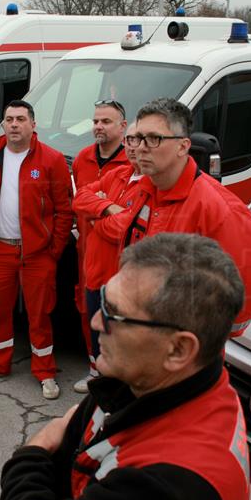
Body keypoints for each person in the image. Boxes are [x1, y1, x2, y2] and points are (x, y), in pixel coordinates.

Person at [0, 233, 251, 500]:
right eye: (104, 301)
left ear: (179, 349)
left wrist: (36, 448)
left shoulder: (163, 489)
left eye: (115, 315)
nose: (95, 323)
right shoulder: (156, 379)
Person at [116, 97, 251, 336]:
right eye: (137, 138)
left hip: (184, 350)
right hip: (143, 332)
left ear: (183, 146)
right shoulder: (145, 190)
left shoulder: (219, 209)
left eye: (154, 138)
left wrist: (200, 336)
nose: (141, 147)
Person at [0, 100, 73, 400]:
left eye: (20, 119)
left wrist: (53, 251)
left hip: (38, 254)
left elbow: (64, 211)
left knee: (40, 315)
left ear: (33, 124)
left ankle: (45, 373)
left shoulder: (50, 160)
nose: (14, 124)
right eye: (9, 119)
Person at [70, 122, 143, 393]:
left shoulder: (149, 186)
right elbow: (80, 198)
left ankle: (115, 384)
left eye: (141, 140)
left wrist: (94, 219)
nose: (135, 146)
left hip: (120, 279)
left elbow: (122, 229)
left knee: (118, 334)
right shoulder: (119, 174)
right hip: (95, 271)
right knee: (95, 327)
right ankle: (95, 372)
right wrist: (108, 206)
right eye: (132, 140)